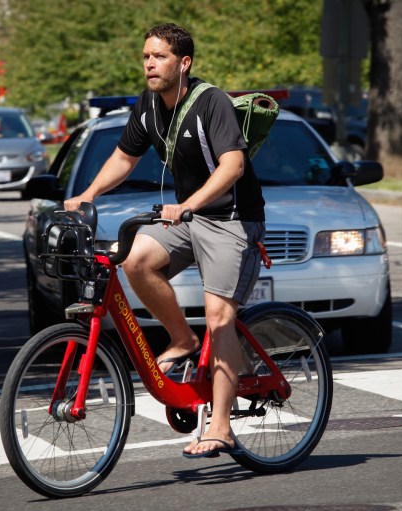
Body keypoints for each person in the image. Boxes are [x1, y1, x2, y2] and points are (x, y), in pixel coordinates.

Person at [63, 23, 265, 458]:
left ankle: (222, 427)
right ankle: (182, 341)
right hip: (189, 217)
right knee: (135, 260)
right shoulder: (149, 106)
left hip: (231, 220)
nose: (150, 64)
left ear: (183, 62)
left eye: (159, 57)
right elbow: (123, 157)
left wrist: (188, 204)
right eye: (145, 57)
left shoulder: (211, 103)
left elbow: (232, 168)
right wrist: (87, 194)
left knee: (219, 318)